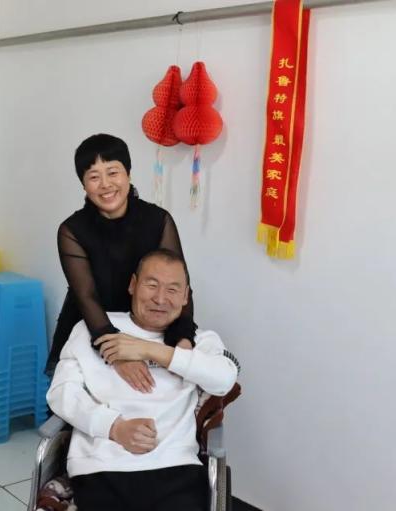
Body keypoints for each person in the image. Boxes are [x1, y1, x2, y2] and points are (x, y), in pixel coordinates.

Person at [46, 249, 238, 511]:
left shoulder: (199, 341)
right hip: (102, 465)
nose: (160, 298)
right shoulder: (92, 329)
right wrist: (113, 427)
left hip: (176, 466)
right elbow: (61, 392)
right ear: (133, 285)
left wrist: (150, 350)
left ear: (185, 296)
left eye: (172, 289)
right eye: (152, 285)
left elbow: (224, 379)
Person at [47, 133, 197, 395]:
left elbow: (178, 283)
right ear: (84, 184)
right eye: (94, 176)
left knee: (155, 399)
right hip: (93, 327)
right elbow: (86, 296)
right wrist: (117, 354)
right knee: (80, 404)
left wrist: (183, 339)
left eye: (113, 172)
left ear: (128, 173)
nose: (105, 184)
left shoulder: (158, 220)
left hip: (146, 328)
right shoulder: (72, 230)